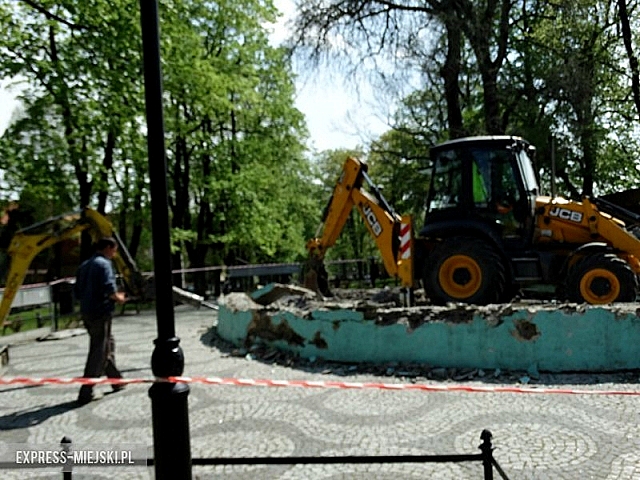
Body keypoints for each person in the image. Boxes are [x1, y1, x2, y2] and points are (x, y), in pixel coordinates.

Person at [74, 236, 127, 405]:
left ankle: (116, 380)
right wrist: (118, 298)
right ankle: (86, 391)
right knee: (99, 350)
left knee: (107, 343)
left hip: (87, 311)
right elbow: (109, 289)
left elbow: (77, 291)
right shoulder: (104, 264)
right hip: (100, 312)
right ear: (108, 248)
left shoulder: (84, 265)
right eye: (114, 249)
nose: (114, 253)